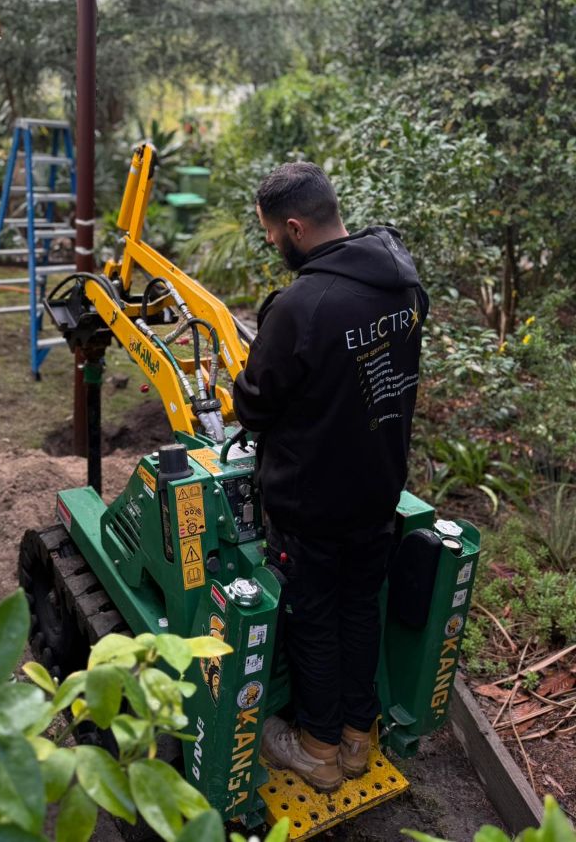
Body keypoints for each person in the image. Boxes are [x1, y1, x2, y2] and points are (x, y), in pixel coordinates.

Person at [232, 161, 429, 792]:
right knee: (358, 608)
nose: (270, 243)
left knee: (315, 618)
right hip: (377, 489)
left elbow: (255, 405)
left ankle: (316, 750)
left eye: (270, 233)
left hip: (311, 501)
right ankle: (355, 736)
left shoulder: (302, 305)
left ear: (294, 226)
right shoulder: (400, 281)